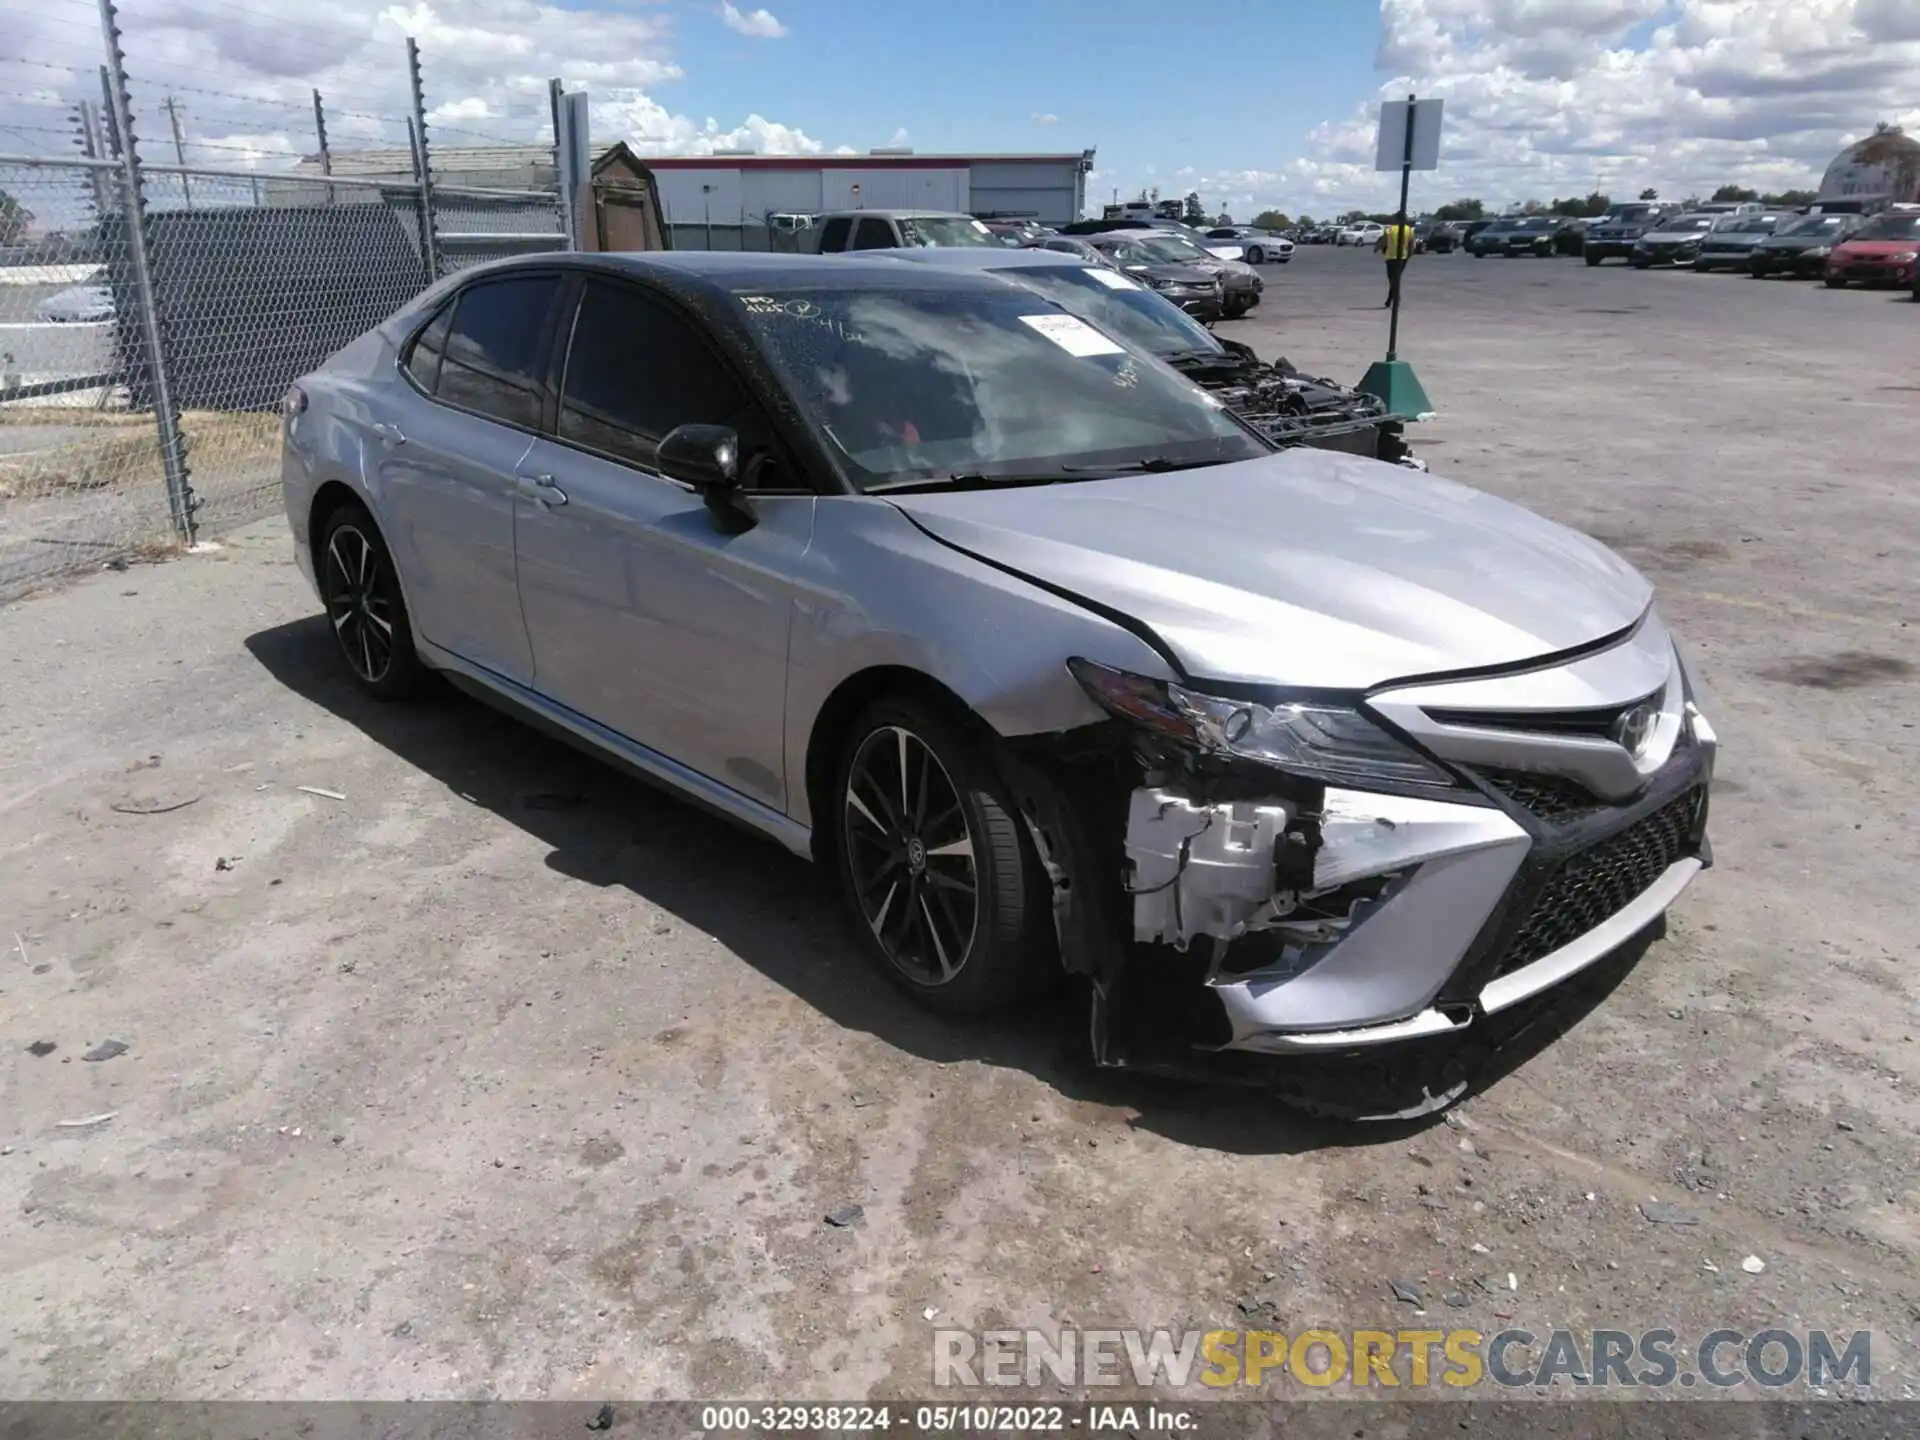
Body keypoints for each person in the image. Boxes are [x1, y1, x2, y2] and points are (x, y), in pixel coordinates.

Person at [1379, 220, 1415, 307]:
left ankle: (1395, 298)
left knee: (1393, 279)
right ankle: (1391, 298)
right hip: (1403, 257)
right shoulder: (1409, 230)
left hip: (1391, 257)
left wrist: (1383, 250)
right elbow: (1412, 245)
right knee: (1395, 279)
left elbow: (1384, 243)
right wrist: (1409, 255)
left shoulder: (1389, 229)